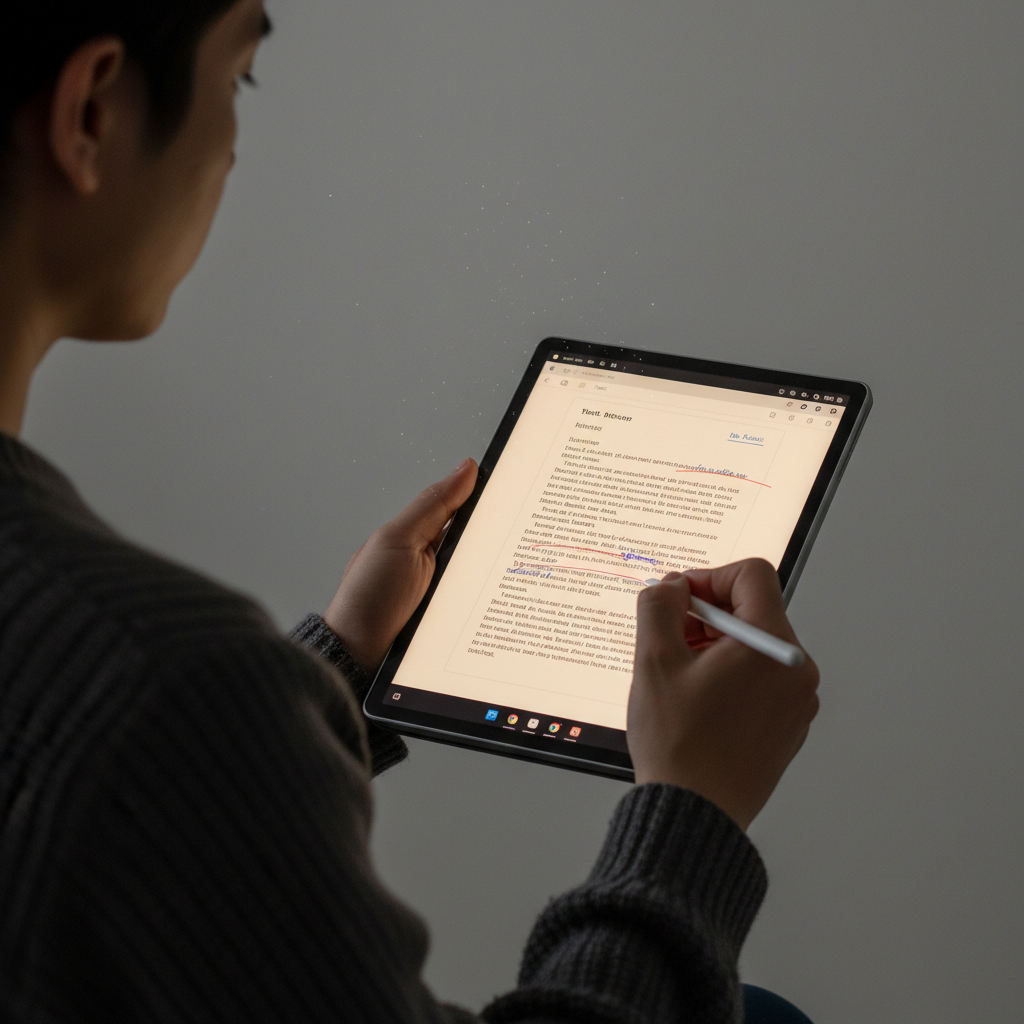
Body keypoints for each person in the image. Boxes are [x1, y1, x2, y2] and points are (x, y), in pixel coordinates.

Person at [0, 2, 821, 1021]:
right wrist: (689, 812)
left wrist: (341, 659)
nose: (234, 148)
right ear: (91, 111)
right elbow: (149, 743)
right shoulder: (160, 678)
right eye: (239, 78)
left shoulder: (120, 678)